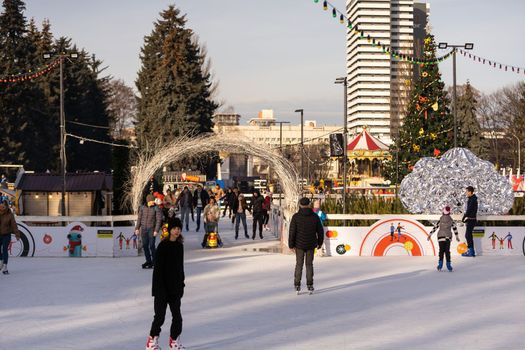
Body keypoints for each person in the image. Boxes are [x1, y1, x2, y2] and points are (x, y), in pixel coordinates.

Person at [145, 217, 185, 350]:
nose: (177, 231)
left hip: (174, 289)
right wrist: (158, 289)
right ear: (169, 230)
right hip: (162, 289)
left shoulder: (179, 246)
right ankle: (151, 343)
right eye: (174, 228)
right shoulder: (162, 246)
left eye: (178, 228)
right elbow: (158, 271)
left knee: (177, 318)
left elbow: (180, 268)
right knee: (160, 317)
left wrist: (181, 285)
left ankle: (174, 342)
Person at [288, 197, 324, 294]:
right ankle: (310, 285)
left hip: (299, 244)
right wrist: (320, 243)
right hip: (311, 244)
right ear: (309, 205)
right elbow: (320, 231)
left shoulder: (296, 217)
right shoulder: (315, 217)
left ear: (300, 205)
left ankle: (297, 285)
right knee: (309, 265)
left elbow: (292, 232)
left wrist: (291, 245)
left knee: (299, 264)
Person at [427, 206, 460, 271]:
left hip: (440, 237)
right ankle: (448, 265)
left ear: (443, 212)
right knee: (447, 251)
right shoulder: (451, 220)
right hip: (448, 237)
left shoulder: (440, 220)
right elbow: (454, 228)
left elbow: (435, 227)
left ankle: (440, 264)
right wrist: (457, 236)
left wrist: (430, 234)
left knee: (441, 251)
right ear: (449, 213)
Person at [135, 194, 162, 269]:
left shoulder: (156, 208)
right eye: (152, 201)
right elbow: (139, 218)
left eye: (154, 200)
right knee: (145, 246)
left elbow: (159, 220)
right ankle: (148, 261)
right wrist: (137, 228)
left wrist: (156, 230)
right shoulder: (142, 208)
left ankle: (155, 261)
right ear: (148, 201)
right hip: (143, 229)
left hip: (151, 229)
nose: (153, 202)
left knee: (152, 246)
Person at [0, 201, 20, 275]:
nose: (1, 208)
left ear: (6, 207)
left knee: (4, 249)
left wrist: (17, 235)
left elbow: (14, 225)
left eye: (3, 207)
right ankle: (1, 261)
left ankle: (5, 266)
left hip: (6, 234)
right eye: (0, 207)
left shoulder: (10, 215)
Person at [462, 186, 478, 257]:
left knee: (468, 235)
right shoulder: (472, 199)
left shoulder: (473, 199)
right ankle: (471, 251)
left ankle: (471, 251)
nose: (466, 193)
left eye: (466, 191)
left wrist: (465, 216)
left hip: (472, 219)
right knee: (469, 235)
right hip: (471, 219)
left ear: (470, 192)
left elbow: (470, 209)